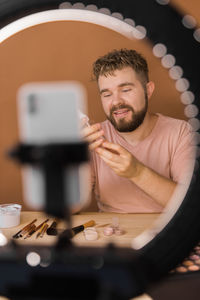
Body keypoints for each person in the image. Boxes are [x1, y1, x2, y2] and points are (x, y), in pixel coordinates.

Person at [82, 49, 196, 213]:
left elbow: (191, 205)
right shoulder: (93, 138)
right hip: (113, 234)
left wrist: (137, 172)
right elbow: (69, 208)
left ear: (148, 90)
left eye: (126, 90)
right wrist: (73, 158)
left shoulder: (181, 132)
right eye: (107, 94)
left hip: (167, 234)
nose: (116, 102)